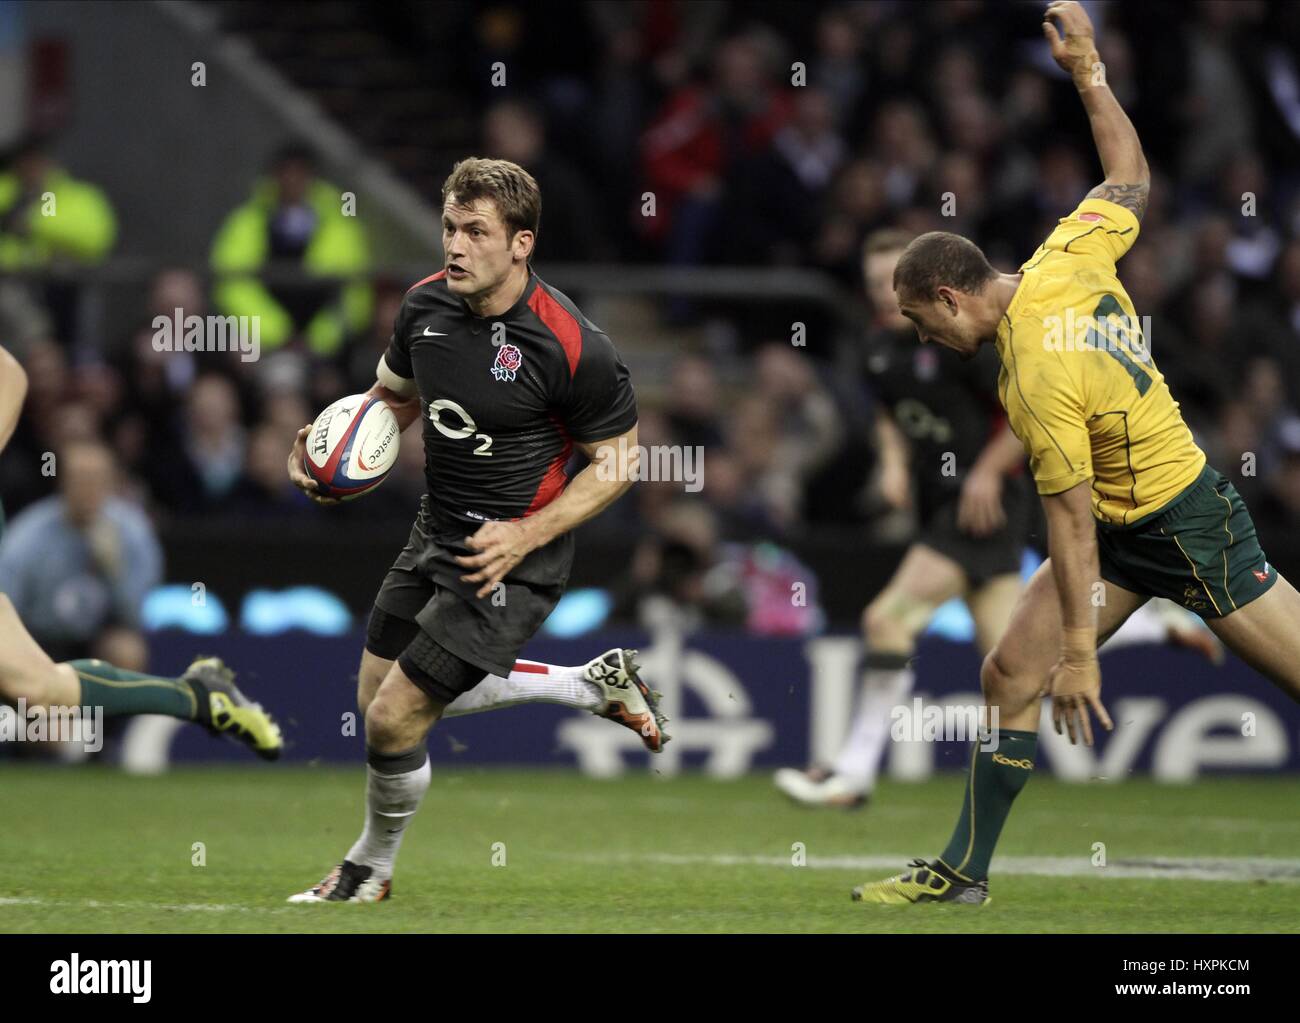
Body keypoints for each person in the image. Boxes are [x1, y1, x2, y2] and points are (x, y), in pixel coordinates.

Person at [854, 1, 1300, 905]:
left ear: (948, 298)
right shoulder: (1065, 250)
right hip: (1128, 526)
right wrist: (1090, 73)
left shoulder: (1031, 375)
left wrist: (1085, 659)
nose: (920, 339)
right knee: (1009, 671)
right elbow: (1130, 173)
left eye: (916, 320)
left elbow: (1066, 521)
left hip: (1185, 524)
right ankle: (962, 873)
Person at [284, 157, 668, 904]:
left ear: (521, 243)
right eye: (449, 229)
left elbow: (619, 463)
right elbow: (391, 401)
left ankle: (369, 870)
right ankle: (587, 683)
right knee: (375, 701)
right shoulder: (423, 306)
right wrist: (332, 452)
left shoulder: (572, 345)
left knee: (395, 717)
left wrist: (526, 537)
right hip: (436, 528)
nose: (455, 246)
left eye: (476, 232)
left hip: (513, 555)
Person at [775, 229, 1032, 809]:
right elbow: (891, 416)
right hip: (940, 503)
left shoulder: (962, 340)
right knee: (1012, 660)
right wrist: (892, 463)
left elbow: (1027, 412)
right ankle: (1150, 622)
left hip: (983, 505)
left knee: (887, 620)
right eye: (873, 284)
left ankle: (853, 771)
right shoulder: (876, 350)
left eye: (893, 284)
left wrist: (989, 472)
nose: (884, 296)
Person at [0, 346, 280, 759]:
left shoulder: (126, 528)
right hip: (48, 631)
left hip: (92, 634)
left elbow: (10, 373)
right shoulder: (33, 534)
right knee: (40, 689)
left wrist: (111, 569)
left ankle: (196, 698)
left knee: (42, 689)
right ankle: (196, 697)